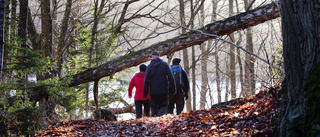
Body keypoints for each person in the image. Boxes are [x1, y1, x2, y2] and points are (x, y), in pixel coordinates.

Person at [143, 51, 175, 117]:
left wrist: (145, 93)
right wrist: (173, 90)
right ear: (159, 57)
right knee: (163, 106)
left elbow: (146, 80)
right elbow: (170, 77)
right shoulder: (164, 65)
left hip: (153, 91)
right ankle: (160, 117)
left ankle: (155, 122)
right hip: (163, 91)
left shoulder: (149, 66)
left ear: (152, 57)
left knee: (153, 107)